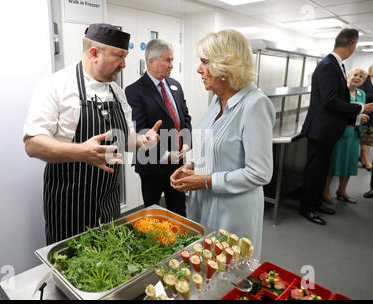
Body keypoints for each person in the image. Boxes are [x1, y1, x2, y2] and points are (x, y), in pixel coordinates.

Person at [23, 23, 161, 244]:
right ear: (94, 53)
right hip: (68, 204)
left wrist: (143, 140)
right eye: (119, 56)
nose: (124, 64)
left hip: (109, 200)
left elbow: (126, 140)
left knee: (108, 262)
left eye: (125, 57)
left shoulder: (117, 92)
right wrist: (81, 152)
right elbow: (33, 144)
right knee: (71, 266)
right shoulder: (56, 85)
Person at [170, 29, 275, 260]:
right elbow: (218, 150)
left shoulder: (255, 104)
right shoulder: (217, 100)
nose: (199, 69)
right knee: (202, 267)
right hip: (203, 203)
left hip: (233, 210)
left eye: (205, 62)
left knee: (228, 273)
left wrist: (206, 180)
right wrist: (192, 167)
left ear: (226, 66)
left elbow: (260, 173)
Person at [299, 28, 373, 226]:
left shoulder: (336, 65)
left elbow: (336, 100)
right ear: (352, 45)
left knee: (321, 171)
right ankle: (306, 208)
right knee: (315, 171)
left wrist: (354, 117)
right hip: (320, 130)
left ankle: (315, 202)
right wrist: (360, 108)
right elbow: (329, 100)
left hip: (327, 130)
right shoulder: (329, 65)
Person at [125, 39, 192, 216]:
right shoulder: (134, 91)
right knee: (153, 215)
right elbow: (140, 130)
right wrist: (165, 154)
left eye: (172, 60)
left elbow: (185, 118)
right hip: (152, 164)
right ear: (151, 61)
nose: (172, 65)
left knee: (179, 210)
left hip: (177, 162)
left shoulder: (175, 85)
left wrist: (186, 143)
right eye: (167, 60)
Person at [322, 68, 369, 204]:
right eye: (355, 75)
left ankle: (342, 191)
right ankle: (325, 190)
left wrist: (363, 117)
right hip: (340, 133)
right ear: (347, 77)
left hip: (354, 134)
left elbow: (360, 110)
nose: (358, 78)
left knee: (350, 163)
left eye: (361, 77)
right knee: (334, 162)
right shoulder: (340, 93)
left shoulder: (362, 94)